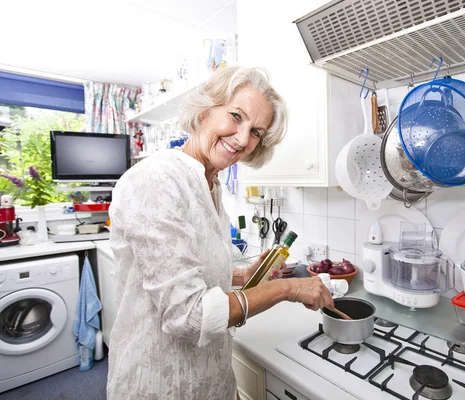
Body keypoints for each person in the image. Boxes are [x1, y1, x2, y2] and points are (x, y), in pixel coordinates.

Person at [107, 66, 334, 400]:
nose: (243, 139)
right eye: (235, 116)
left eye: (256, 131)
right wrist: (288, 289)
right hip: (158, 383)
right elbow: (190, 315)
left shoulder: (210, 186)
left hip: (209, 380)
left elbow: (192, 273)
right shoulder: (157, 180)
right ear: (204, 110)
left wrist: (245, 274)